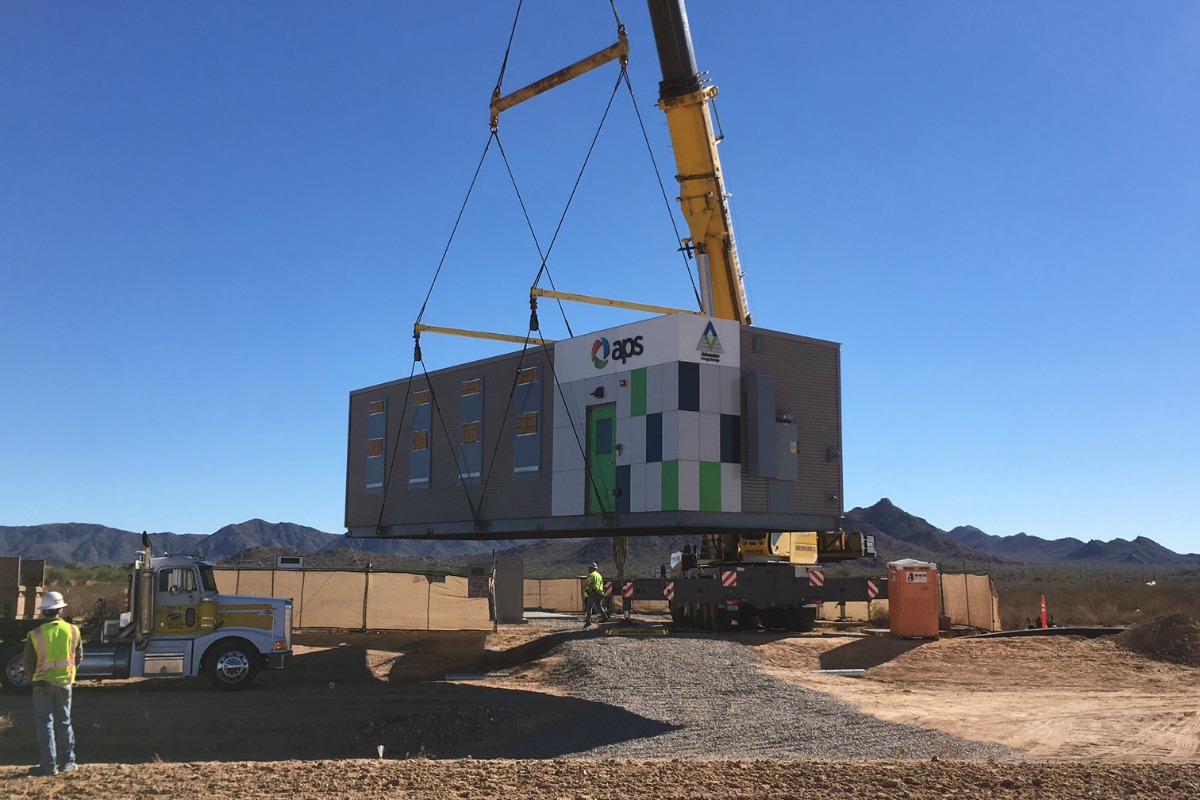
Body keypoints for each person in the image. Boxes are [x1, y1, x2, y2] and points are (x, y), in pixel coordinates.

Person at [23, 591, 82, 777]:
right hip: (65, 684)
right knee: (65, 722)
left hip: (42, 685)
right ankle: (68, 763)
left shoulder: (35, 634)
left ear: (43, 612)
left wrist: (34, 679)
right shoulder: (73, 630)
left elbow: (27, 662)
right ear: (60, 610)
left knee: (45, 725)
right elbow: (77, 657)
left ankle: (48, 767)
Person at [583, 563, 608, 627]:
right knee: (598, 605)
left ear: (592, 568)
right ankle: (604, 617)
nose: (588, 569)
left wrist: (587, 586)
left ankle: (588, 621)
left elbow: (591, 584)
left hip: (594, 592)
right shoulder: (599, 575)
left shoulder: (591, 575)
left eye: (589, 568)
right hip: (600, 592)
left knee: (589, 606)